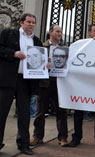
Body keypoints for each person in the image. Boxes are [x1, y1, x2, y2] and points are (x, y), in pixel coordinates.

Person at [0, 13, 43, 155]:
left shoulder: (37, 41)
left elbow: (40, 62)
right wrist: (13, 53)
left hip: (26, 82)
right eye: (28, 21)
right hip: (7, 79)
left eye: (33, 22)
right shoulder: (8, 33)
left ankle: (23, 144)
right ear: (21, 22)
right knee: (1, 113)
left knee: (24, 115)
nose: (31, 24)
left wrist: (45, 65)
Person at [30, 24, 69, 147]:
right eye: (57, 31)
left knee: (61, 111)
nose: (60, 34)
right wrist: (44, 64)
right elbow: (33, 63)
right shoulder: (42, 46)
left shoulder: (65, 48)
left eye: (61, 32)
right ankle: (38, 136)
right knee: (40, 111)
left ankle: (63, 137)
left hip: (59, 83)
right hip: (44, 83)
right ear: (50, 32)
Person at [69, 24, 95, 148]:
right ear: (89, 33)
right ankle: (77, 137)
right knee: (79, 111)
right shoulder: (81, 44)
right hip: (83, 83)